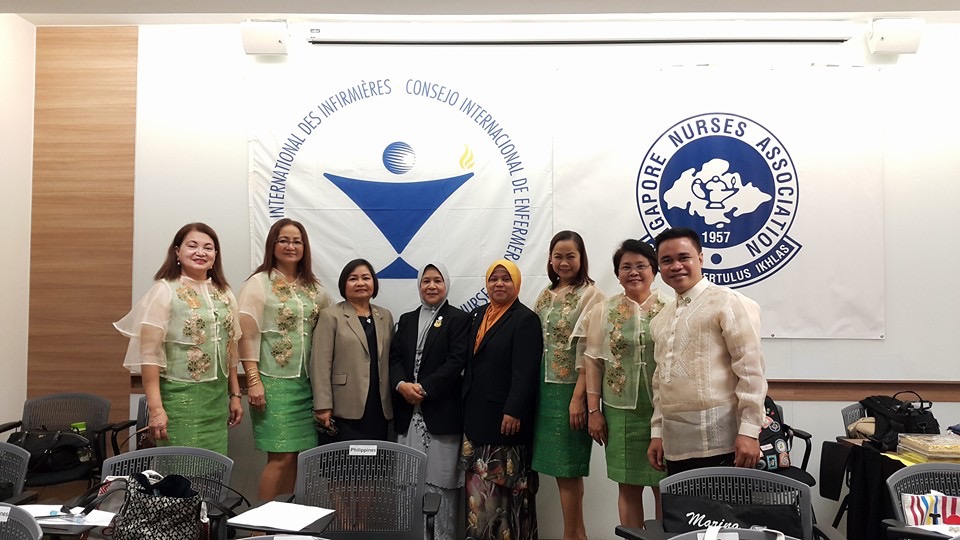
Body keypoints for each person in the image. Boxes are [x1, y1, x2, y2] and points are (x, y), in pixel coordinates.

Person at [646, 227, 767, 476]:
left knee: (723, 503)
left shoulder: (727, 302)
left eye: (684, 257)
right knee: (681, 504)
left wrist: (749, 431)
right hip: (675, 445)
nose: (676, 266)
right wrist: (657, 433)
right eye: (666, 261)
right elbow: (659, 382)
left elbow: (751, 371)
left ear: (700, 258)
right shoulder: (660, 319)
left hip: (725, 443)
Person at [115, 222, 242, 454]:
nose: (200, 252)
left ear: (216, 255)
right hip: (179, 399)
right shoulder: (164, 291)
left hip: (216, 402)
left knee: (214, 468)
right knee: (180, 468)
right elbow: (149, 356)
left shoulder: (224, 293)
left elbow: (230, 348)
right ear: (177, 251)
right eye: (192, 246)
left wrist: (235, 395)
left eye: (208, 247)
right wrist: (156, 410)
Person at [238, 218, 331, 501]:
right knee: (280, 457)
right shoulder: (259, 283)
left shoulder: (314, 289)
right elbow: (245, 335)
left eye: (297, 241)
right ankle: (260, 524)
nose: (291, 246)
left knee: (297, 458)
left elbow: (330, 329)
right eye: (284, 240)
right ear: (273, 245)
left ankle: (283, 518)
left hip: (307, 386)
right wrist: (253, 381)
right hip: (272, 383)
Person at [577, 239, 667, 527]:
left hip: (665, 413)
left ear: (654, 270)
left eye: (641, 266)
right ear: (617, 274)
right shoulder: (603, 310)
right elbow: (593, 362)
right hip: (620, 413)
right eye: (626, 267)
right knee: (628, 485)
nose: (634, 272)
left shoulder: (671, 308)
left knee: (666, 487)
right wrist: (594, 411)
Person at [462, 259, 543, 540]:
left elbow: (526, 371)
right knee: (479, 497)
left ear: (516, 284)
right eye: (493, 279)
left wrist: (514, 409)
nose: (499, 284)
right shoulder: (477, 315)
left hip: (506, 422)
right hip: (476, 419)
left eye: (506, 279)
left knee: (508, 496)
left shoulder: (525, 319)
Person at [531, 231, 603, 540]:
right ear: (550, 259)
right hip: (543, 390)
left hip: (570, 390)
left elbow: (590, 350)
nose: (564, 262)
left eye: (570, 256)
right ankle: (576, 534)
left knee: (569, 469)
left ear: (581, 258)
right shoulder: (546, 294)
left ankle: (573, 535)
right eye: (558, 256)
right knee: (559, 472)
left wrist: (578, 399)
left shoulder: (591, 295)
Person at [390, 262, 470, 540]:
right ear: (419, 285)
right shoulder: (407, 319)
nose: (432, 286)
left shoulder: (459, 319)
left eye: (437, 280)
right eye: (426, 281)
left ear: (446, 284)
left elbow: (456, 361)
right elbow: (394, 359)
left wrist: (424, 388)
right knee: (407, 484)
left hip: (441, 413)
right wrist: (401, 385)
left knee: (441, 486)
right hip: (408, 414)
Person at [311, 258, 394, 442]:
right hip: (343, 406)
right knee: (345, 459)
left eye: (366, 278)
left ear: (374, 283)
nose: (360, 283)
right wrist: (323, 405)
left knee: (376, 457)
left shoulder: (385, 316)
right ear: (344, 284)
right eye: (353, 278)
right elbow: (320, 365)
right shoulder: (330, 316)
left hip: (379, 404)